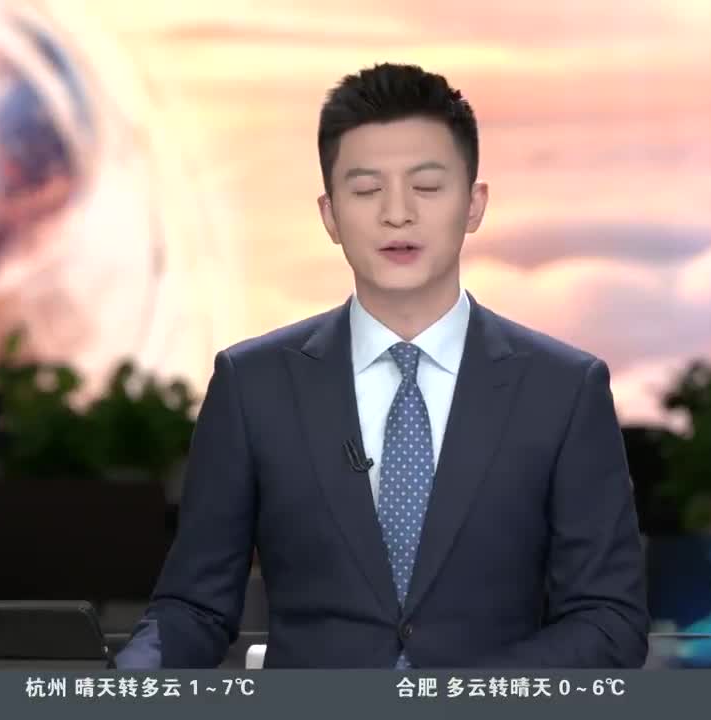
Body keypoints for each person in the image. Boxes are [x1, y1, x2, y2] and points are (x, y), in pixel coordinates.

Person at [116, 63, 648, 669]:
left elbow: (609, 621)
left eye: (427, 187)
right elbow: (193, 608)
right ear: (330, 215)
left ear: (474, 205)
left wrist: (457, 697)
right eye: (367, 190)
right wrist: (130, 680)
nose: (397, 213)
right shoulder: (253, 385)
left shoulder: (563, 390)